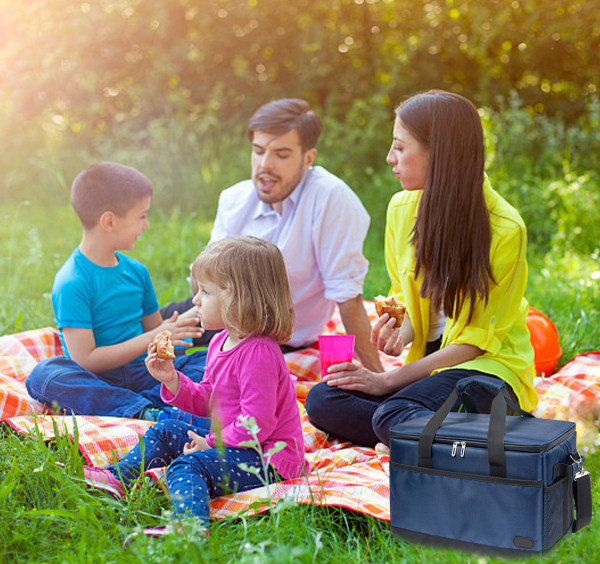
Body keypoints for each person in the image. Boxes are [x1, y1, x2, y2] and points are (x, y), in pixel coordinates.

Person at [305, 90, 538, 447]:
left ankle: (432, 428)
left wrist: (386, 382)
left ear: (439, 154)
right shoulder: (402, 209)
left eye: (400, 147)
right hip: (431, 371)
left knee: (392, 411)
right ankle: (443, 434)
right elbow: (409, 299)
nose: (389, 158)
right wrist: (401, 332)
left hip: (485, 374)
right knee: (324, 398)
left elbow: (475, 344)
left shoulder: (506, 229)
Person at [83, 236, 308, 538]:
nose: (196, 300)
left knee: (188, 467)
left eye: (205, 291)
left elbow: (257, 425)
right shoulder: (220, 341)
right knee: (165, 429)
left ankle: (189, 528)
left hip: (267, 459)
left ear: (239, 297)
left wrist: (212, 443)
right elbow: (208, 401)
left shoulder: (259, 354)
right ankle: (115, 479)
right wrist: (171, 379)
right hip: (234, 441)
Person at [163, 98, 383, 372]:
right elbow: (203, 282)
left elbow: (347, 297)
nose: (265, 165)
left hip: (273, 336)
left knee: (192, 376)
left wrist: (380, 383)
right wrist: (169, 329)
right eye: (258, 151)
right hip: (216, 312)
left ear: (308, 159)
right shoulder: (235, 198)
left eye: (281, 154)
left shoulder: (331, 200)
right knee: (127, 331)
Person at [25, 162, 207, 419]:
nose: (146, 225)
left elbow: (155, 331)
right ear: (109, 221)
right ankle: (144, 410)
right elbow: (85, 360)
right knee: (44, 375)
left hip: (146, 372)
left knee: (209, 360)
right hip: (97, 381)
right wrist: (154, 335)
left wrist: (185, 321)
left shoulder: (136, 272)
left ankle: (136, 406)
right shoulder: (72, 282)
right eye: (142, 216)